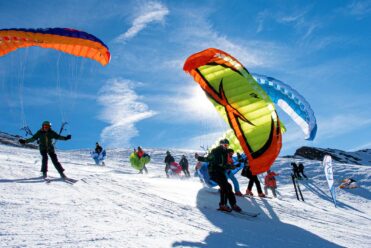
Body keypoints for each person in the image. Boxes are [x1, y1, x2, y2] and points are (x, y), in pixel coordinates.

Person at [196, 139, 242, 212]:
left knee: (228, 186)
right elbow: (208, 159)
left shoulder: (224, 153)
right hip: (214, 172)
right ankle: (222, 205)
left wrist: (232, 166)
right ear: (221, 145)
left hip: (221, 172)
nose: (226, 146)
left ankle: (233, 205)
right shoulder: (215, 151)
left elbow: (224, 165)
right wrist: (198, 158)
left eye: (227, 145)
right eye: (224, 145)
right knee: (224, 187)